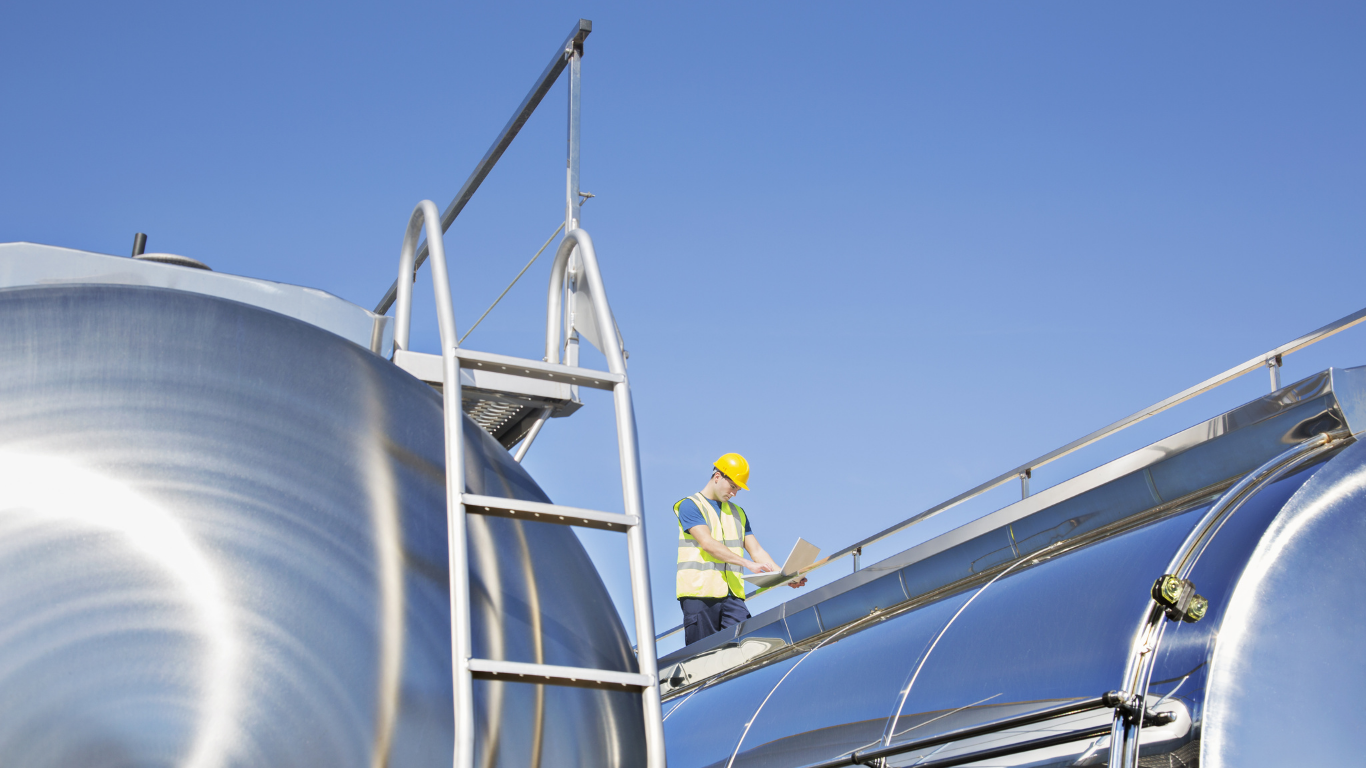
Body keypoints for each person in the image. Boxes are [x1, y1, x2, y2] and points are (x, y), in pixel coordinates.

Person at [672, 452, 808, 646]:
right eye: (733, 486)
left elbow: (757, 552)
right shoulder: (690, 506)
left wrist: (785, 576)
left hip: (732, 598)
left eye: (738, 489)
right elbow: (707, 543)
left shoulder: (738, 513)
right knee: (703, 658)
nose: (734, 493)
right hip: (700, 596)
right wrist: (747, 563)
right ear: (717, 476)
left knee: (744, 649)